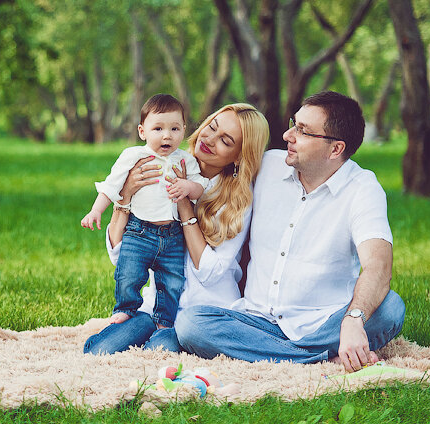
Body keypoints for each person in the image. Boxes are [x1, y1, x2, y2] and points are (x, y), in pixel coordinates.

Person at [174, 91, 406, 372]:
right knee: (191, 324)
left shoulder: (362, 189)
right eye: (293, 123)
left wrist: (354, 319)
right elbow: (219, 171)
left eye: (303, 131)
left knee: (390, 307)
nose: (287, 135)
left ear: (335, 149)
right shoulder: (268, 166)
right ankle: (315, 360)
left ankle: (284, 354)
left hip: (323, 324)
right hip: (253, 320)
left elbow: (378, 266)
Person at [83, 103, 270, 354]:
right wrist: (125, 196)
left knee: (159, 352)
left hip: (201, 313)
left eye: (225, 140)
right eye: (211, 127)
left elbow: (210, 274)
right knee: (100, 350)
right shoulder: (165, 163)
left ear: (239, 155)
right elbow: (120, 256)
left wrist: (184, 205)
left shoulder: (236, 200)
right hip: (157, 306)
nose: (210, 139)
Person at [81, 94, 210, 329]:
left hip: (172, 235)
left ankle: (163, 320)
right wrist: (95, 211)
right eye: (158, 128)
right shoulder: (133, 156)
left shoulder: (185, 160)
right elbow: (111, 186)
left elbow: (200, 188)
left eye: (174, 128)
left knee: (171, 280)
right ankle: (125, 309)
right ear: (142, 132)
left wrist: (187, 187)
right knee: (128, 273)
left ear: (183, 130)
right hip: (138, 231)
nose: (166, 135)